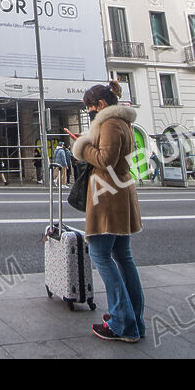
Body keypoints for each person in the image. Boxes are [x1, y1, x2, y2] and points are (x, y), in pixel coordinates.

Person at [73, 81, 144, 343]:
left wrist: (83, 145)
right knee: (123, 257)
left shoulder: (110, 124)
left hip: (108, 193)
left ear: (100, 105)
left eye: (90, 107)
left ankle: (122, 323)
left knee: (100, 254)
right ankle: (133, 319)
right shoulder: (123, 122)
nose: (90, 111)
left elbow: (106, 160)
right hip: (119, 192)